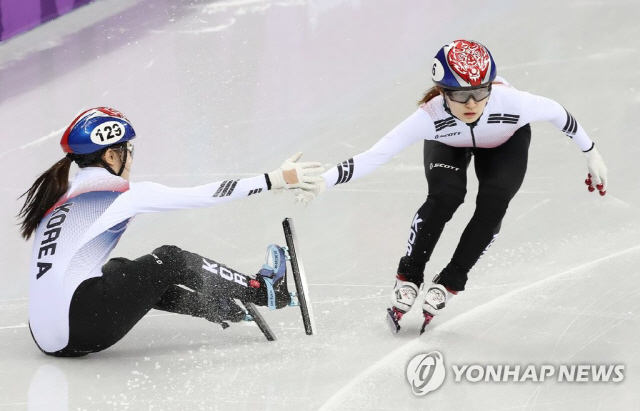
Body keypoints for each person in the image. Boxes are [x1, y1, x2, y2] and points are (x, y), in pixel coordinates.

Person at [295, 40, 608, 329]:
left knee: (495, 201)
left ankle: (452, 279)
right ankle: (409, 274)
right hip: (449, 142)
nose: (472, 103)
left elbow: (561, 115)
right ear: (442, 91)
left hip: (504, 141)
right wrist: (325, 181)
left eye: (480, 91)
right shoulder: (428, 117)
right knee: (446, 194)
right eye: (459, 94)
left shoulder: (514, 103)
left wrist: (592, 154)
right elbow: (373, 156)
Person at [18, 107, 324, 357]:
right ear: (111, 156)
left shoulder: (61, 198)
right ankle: (266, 291)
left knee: (121, 268)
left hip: (47, 337)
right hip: (83, 326)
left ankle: (209, 305)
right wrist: (275, 179)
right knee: (169, 259)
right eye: (128, 150)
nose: (132, 158)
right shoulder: (121, 192)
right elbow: (208, 194)